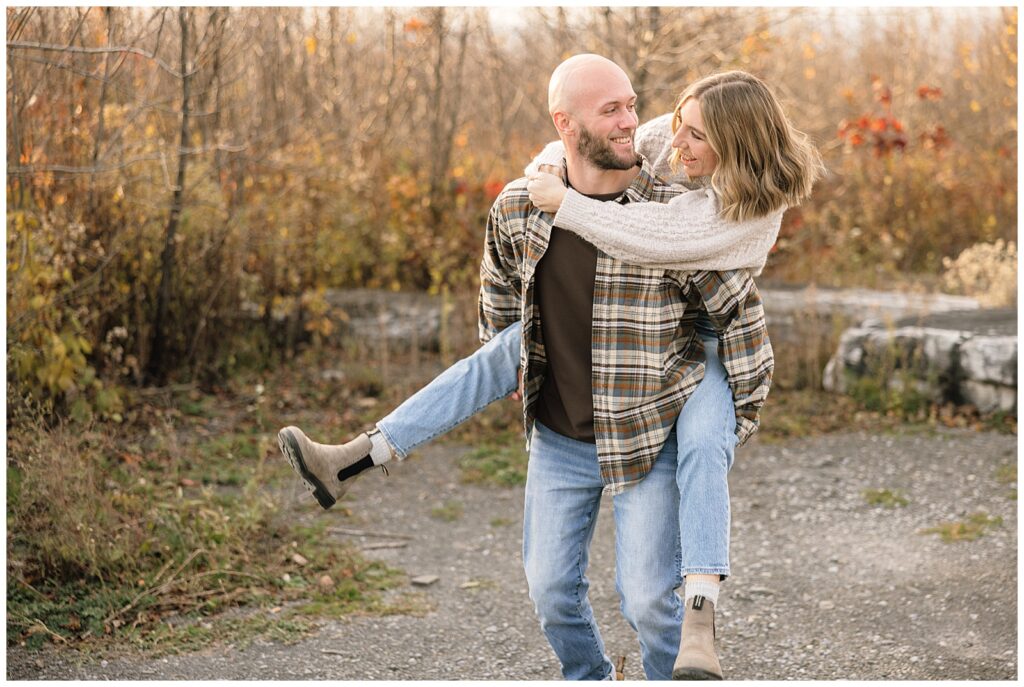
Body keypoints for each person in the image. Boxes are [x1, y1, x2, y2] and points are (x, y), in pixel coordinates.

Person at [279, 59, 822, 680]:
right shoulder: (523, 203)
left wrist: (730, 409)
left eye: (631, 104)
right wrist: (511, 353)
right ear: (566, 123)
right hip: (561, 432)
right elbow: (499, 284)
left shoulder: (679, 217)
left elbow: (735, 317)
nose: (634, 122)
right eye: (611, 109)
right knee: (551, 593)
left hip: (644, 430)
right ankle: (358, 457)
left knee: (648, 604)